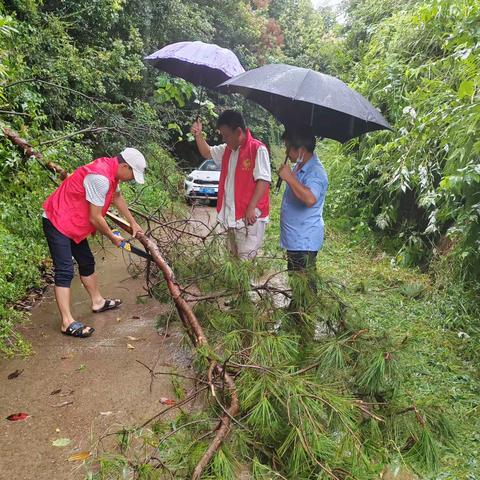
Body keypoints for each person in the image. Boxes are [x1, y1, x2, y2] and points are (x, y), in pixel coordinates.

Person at [42, 148, 147, 338]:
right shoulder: (100, 177)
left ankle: (97, 301)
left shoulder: (112, 172)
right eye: (132, 174)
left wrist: (133, 223)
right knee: (65, 270)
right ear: (124, 166)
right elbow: (95, 217)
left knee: (87, 262)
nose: (132, 178)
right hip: (57, 219)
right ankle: (67, 322)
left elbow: (116, 197)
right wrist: (113, 237)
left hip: (74, 222)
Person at [191, 110, 271, 259]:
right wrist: (198, 135)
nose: (224, 139)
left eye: (226, 135)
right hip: (231, 216)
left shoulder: (257, 149)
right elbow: (207, 152)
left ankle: (247, 283)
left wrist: (251, 207)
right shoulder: (227, 149)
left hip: (249, 218)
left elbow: (264, 180)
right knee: (232, 259)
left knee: (246, 261)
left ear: (239, 132)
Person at [278, 129, 328, 297]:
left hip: (304, 240)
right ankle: (298, 312)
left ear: (301, 150)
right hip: (294, 238)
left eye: (288, 148)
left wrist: (290, 178)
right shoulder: (299, 166)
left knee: (305, 282)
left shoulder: (316, 172)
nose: (286, 152)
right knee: (295, 278)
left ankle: (305, 316)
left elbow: (310, 199)